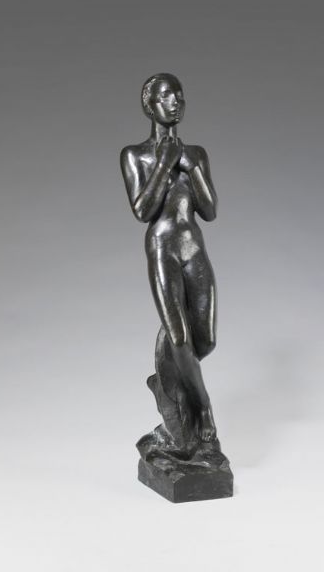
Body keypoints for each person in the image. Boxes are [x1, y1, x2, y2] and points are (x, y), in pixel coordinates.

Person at [120, 73, 218, 443]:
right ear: (149, 105)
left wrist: (191, 168)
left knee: (205, 340)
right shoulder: (135, 155)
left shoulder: (197, 154)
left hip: (194, 248)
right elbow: (143, 210)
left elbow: (210, 211)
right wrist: (163, 164)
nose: (175, 102)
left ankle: (167, 377)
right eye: (166, 96)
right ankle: (203, 406)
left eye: (179, 95)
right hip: (163, 249)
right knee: (178, 338)